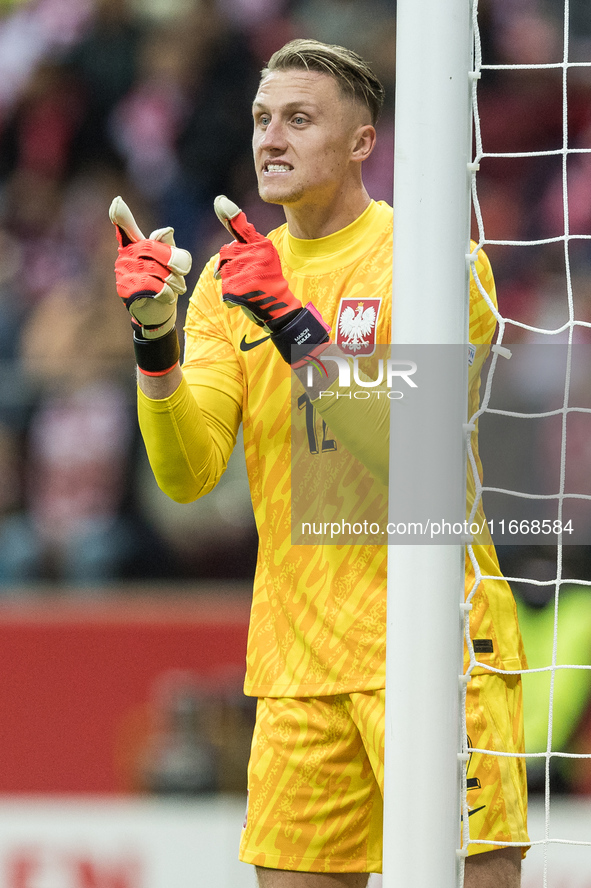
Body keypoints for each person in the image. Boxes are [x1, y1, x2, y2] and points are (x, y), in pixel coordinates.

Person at [110, 39, 529, 888]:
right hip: (297, 665)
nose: (271, 138)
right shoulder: (231, 278)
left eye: (299, 119)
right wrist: (155, 343)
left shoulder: (436, 259)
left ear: (362, 143)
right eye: (264, 118)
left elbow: (403, 457)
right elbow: (188, 475)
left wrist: (291, 322)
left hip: (440, 649)